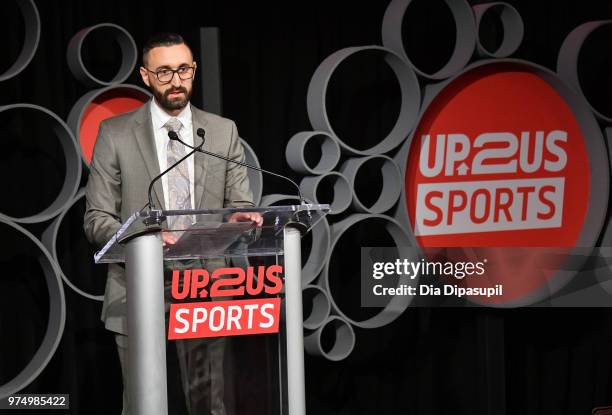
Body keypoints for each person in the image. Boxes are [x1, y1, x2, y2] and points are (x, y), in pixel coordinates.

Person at [83, 32, 262, 415]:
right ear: (146, 76)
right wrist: (146, 238)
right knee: (142, 406)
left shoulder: (221, 131)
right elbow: (97, 219)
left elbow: (240, 204)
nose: (176, 80)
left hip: (207, 286)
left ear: (194, 70)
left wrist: (241, 219)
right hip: (137, 287)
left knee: (210, 406)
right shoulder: (115, 134)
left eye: (183, 69)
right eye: (164, 72)